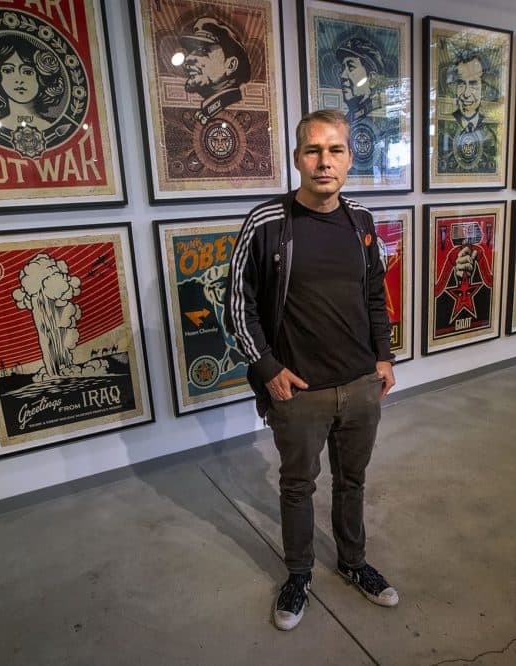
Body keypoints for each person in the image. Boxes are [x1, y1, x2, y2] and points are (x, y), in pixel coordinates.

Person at [225, 109, 398, 631]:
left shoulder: (361, 222)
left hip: (361, 384)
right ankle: (299, 574)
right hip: (299, 392)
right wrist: (268, 367)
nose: (325, 161)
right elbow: (237, 304)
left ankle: (353, 562)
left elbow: (374, 295)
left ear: (350, 156)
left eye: (336, 150)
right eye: (313, 151)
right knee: (298, 486)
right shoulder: (268, 223)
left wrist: (384, 356)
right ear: (297, 158)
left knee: (353, 481)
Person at [0, 34, 65, 130]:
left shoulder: (57, 126)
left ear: (40, 77)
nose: (19, 80)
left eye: (28, 72)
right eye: (7, 71)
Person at [179, 17, 251, 125]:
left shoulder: (213, 108)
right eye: (191, 51)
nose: (188, 58)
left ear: (230, 65)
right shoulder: (208, 110)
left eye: (203, 51)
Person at [437, 50, 498, 174]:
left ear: (484, 88)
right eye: (461, 84)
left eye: (473, 84)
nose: (466, 93)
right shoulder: (443, 128)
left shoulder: (493, 130)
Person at [335, 37, 385, 123]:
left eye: (351, 67)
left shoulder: (380, 118)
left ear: (372, 78)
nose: (343, 75)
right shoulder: (348, 119)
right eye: (343, 68)